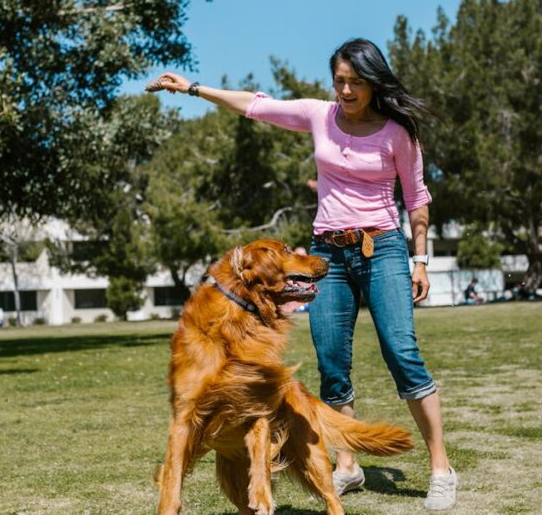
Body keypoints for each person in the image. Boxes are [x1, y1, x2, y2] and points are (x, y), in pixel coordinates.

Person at [148, 38, 457, 511]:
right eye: (340, 81)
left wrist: (421, 260)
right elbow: (255, 106)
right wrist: (192, 88)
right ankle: (347, 465)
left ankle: (440, 468)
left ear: (374, 83)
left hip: (384, 248)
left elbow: (416, 199)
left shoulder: (399, 132)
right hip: (327, 251)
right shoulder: (320, 114)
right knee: (333, 364)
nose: (346, 90)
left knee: (402, 353)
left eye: (355, 82)